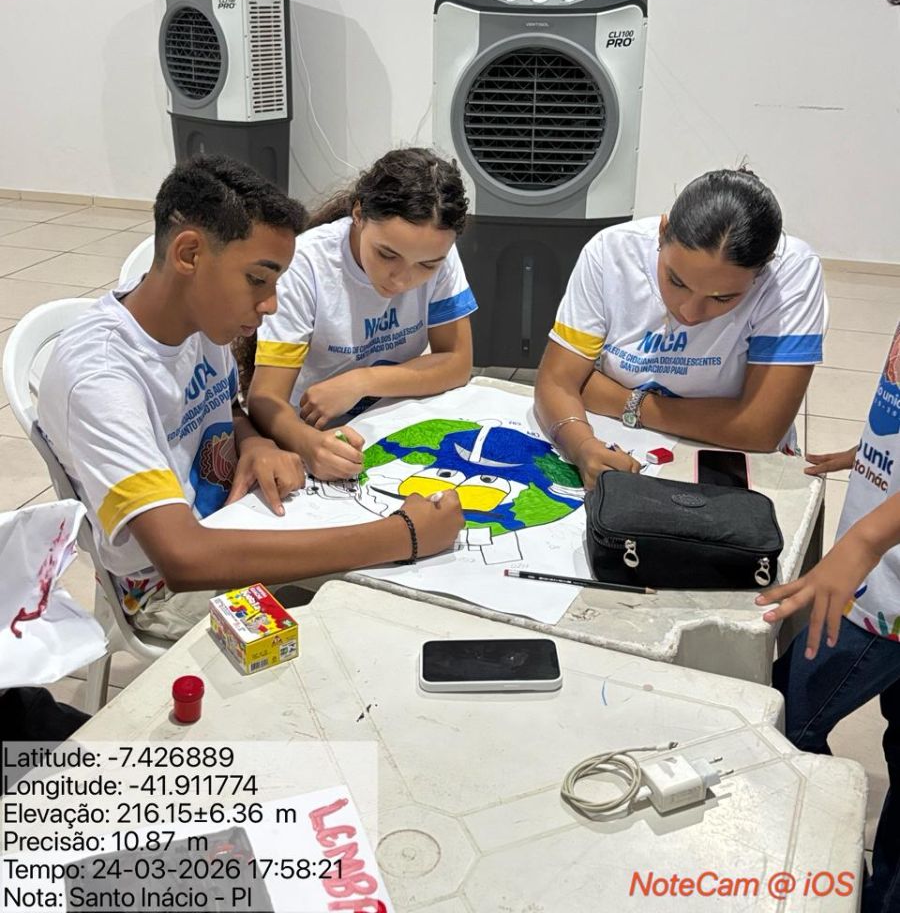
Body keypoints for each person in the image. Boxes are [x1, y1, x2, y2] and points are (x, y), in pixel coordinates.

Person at [37, 155, 463, 640]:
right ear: (189, 254)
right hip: (165, 587)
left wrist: (254, 441)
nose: (272, 304)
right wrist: (402, 536)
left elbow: (228, 407)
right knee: (385, 608)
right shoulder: (101, 378)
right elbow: (183, 559)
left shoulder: (198, 318)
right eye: (258, 280)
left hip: (236, 522)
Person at [759, 0, 900, 913]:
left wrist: (865, 537)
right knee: (802, 713)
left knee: (791, 717)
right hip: (876, 561)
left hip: (879, 574)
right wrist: (875, 449)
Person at [534, 167, 825, 487]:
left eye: (723, 298)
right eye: (676, 281)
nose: (689, 312)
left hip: (732, 462)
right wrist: (582, 446)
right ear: (663, 232)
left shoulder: (791, 271)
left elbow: (760, 428)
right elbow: (557, 382)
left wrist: (628, 403)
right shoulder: (612, 251)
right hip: (625, 443)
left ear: (764, 268)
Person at [246, 148, 477, 481]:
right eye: (387, 255)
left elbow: (458, 362)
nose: (401, 280)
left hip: (391, 420)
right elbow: (265, 398)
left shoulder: (439, 250)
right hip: (313, 430)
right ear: (358, 214)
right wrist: (309, 444)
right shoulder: (305, 266)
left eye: (427, 266)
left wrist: (362, 381)